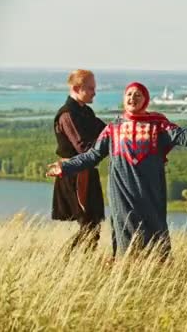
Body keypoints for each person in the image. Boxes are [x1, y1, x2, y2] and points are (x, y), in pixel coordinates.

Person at [47, 82, 187, 259]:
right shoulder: (113, 128)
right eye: (129, 95)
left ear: (145, 100)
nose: (132, 98)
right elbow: (92, 155)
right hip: (122, 195)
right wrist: (65, 167)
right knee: (125, 236)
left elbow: (184, 137)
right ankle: (125, 272)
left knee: (155, 234)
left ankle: (158, 275)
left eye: (138, 95)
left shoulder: (158, 124)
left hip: (151, 193)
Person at [51, 69, 106, 252]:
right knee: (88, 225)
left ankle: (82, 264)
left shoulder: (85, 111)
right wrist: (108, 146)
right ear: (76, 88)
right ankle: (66, 261)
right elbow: (83, 148)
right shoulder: (67, 114)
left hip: (87, 172)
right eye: (90, 88)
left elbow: (106, 131)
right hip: (73, 174)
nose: (94, 92)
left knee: (94, 225)